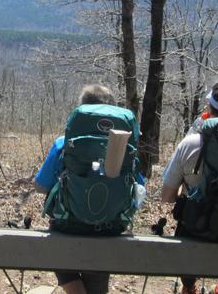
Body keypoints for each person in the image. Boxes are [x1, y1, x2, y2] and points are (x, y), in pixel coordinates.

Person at [35, 84, 144, 294]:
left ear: (82, 109)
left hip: (68, 224)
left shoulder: (63, 144)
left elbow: (41, 186)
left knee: (61, 259)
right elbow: (139, 188)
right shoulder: (125, 147)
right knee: (97, 276)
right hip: (109, 226)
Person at [160, 78, 218, 294]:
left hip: (196, 231)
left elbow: (167, 196)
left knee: (187, 219)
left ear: (209, 108)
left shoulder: (191, 143)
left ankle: (189, 287)